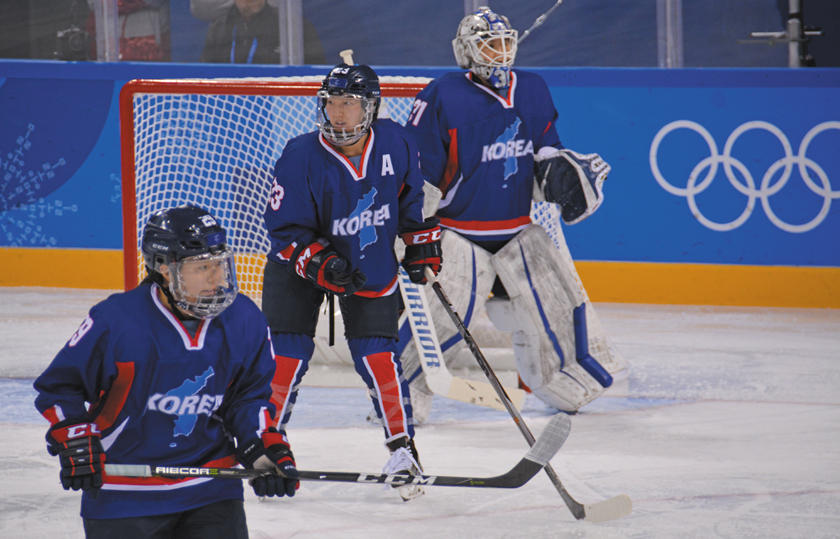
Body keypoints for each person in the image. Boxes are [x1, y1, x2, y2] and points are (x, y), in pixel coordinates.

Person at [401, 6, 627, 414]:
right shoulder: (442, 95)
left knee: (555, 302)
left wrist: (566, 178)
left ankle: (558, 379)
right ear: (467, 51)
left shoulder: (534, 89)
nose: (500, 52)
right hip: (458, 233)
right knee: (443, 321)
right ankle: (406, 387)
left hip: (517, 230)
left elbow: (544, 156)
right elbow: (421, 175)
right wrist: (412, 230)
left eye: (505, 43)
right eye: (489, 45)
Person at [33, 205, 297, 539]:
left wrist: (261, 447)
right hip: (123, 491)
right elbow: (59, 389)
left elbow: (248, 397)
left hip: (210, 486)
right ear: (163, 268)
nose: (216, 277)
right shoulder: (118, 320)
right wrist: (75, 437)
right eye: (201, 267)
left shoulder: (244, 318)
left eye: (218, 264)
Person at [262, 63, 442, 501]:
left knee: (378, 356)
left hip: (368, 257)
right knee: (286, 354)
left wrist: (419, 242)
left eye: (348, 103)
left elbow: (409, 199)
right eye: (331, 103)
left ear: (371, 107)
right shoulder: (301, 154)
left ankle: (403, 449)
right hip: (300, 264)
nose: (338, 114)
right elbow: (284, 230)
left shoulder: (397, 141)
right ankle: (267, 445)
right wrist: (319, 261)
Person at [196, 0, 325, 64]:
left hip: (277, 106)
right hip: (230, 105)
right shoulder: (219, 28)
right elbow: (205, 72)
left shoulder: (293, 27)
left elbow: (315, 75)